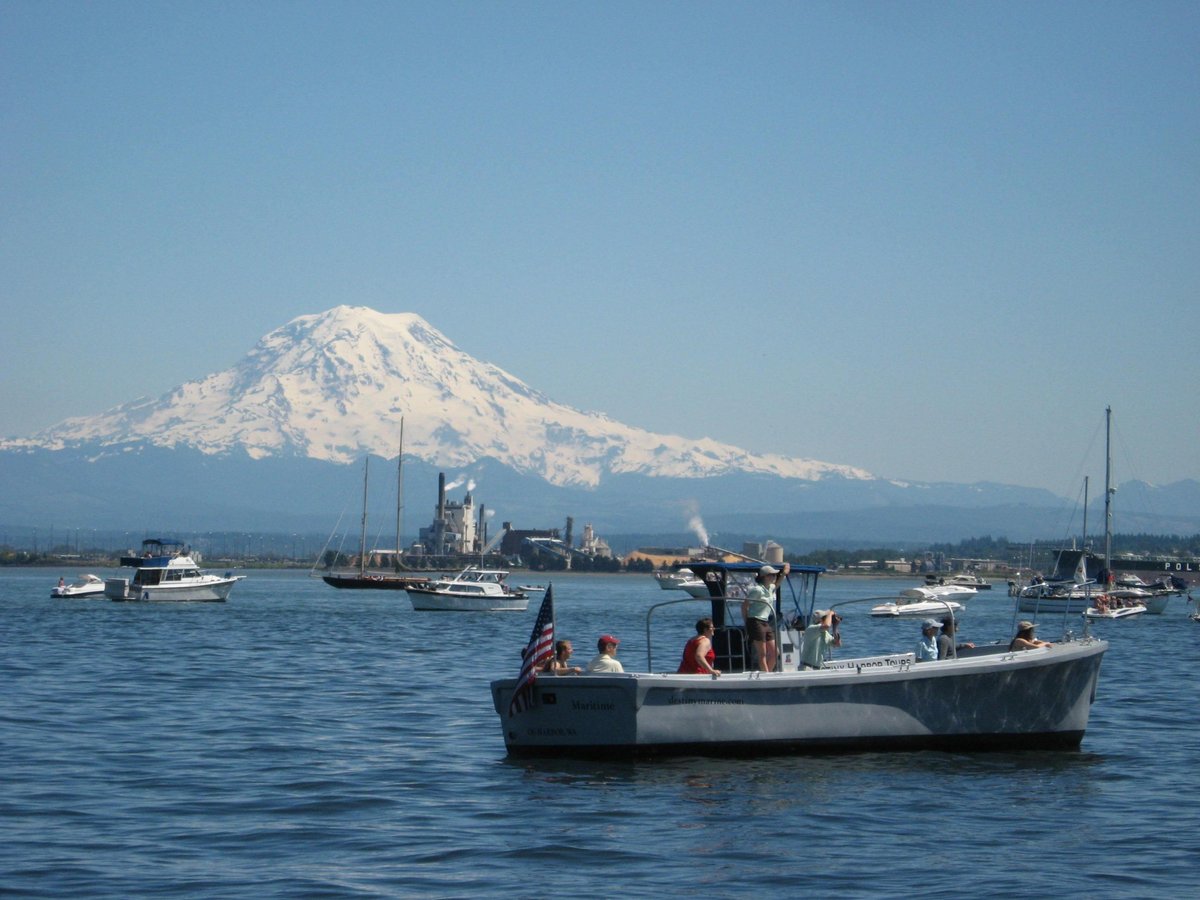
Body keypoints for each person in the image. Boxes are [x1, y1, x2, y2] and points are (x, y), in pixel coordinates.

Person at [742, 564, 784, 672]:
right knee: (763, 653)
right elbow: (745, 605)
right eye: (772, 575)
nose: (774, 577)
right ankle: (767, 676)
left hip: (765, 622)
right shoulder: (757, 590)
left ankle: (767, 674)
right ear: (764, 576)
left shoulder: (770, 587)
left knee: (775, 653)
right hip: (755, 620)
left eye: (775, 575)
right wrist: (747, 622)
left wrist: (784, 573)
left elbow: (778, 583)